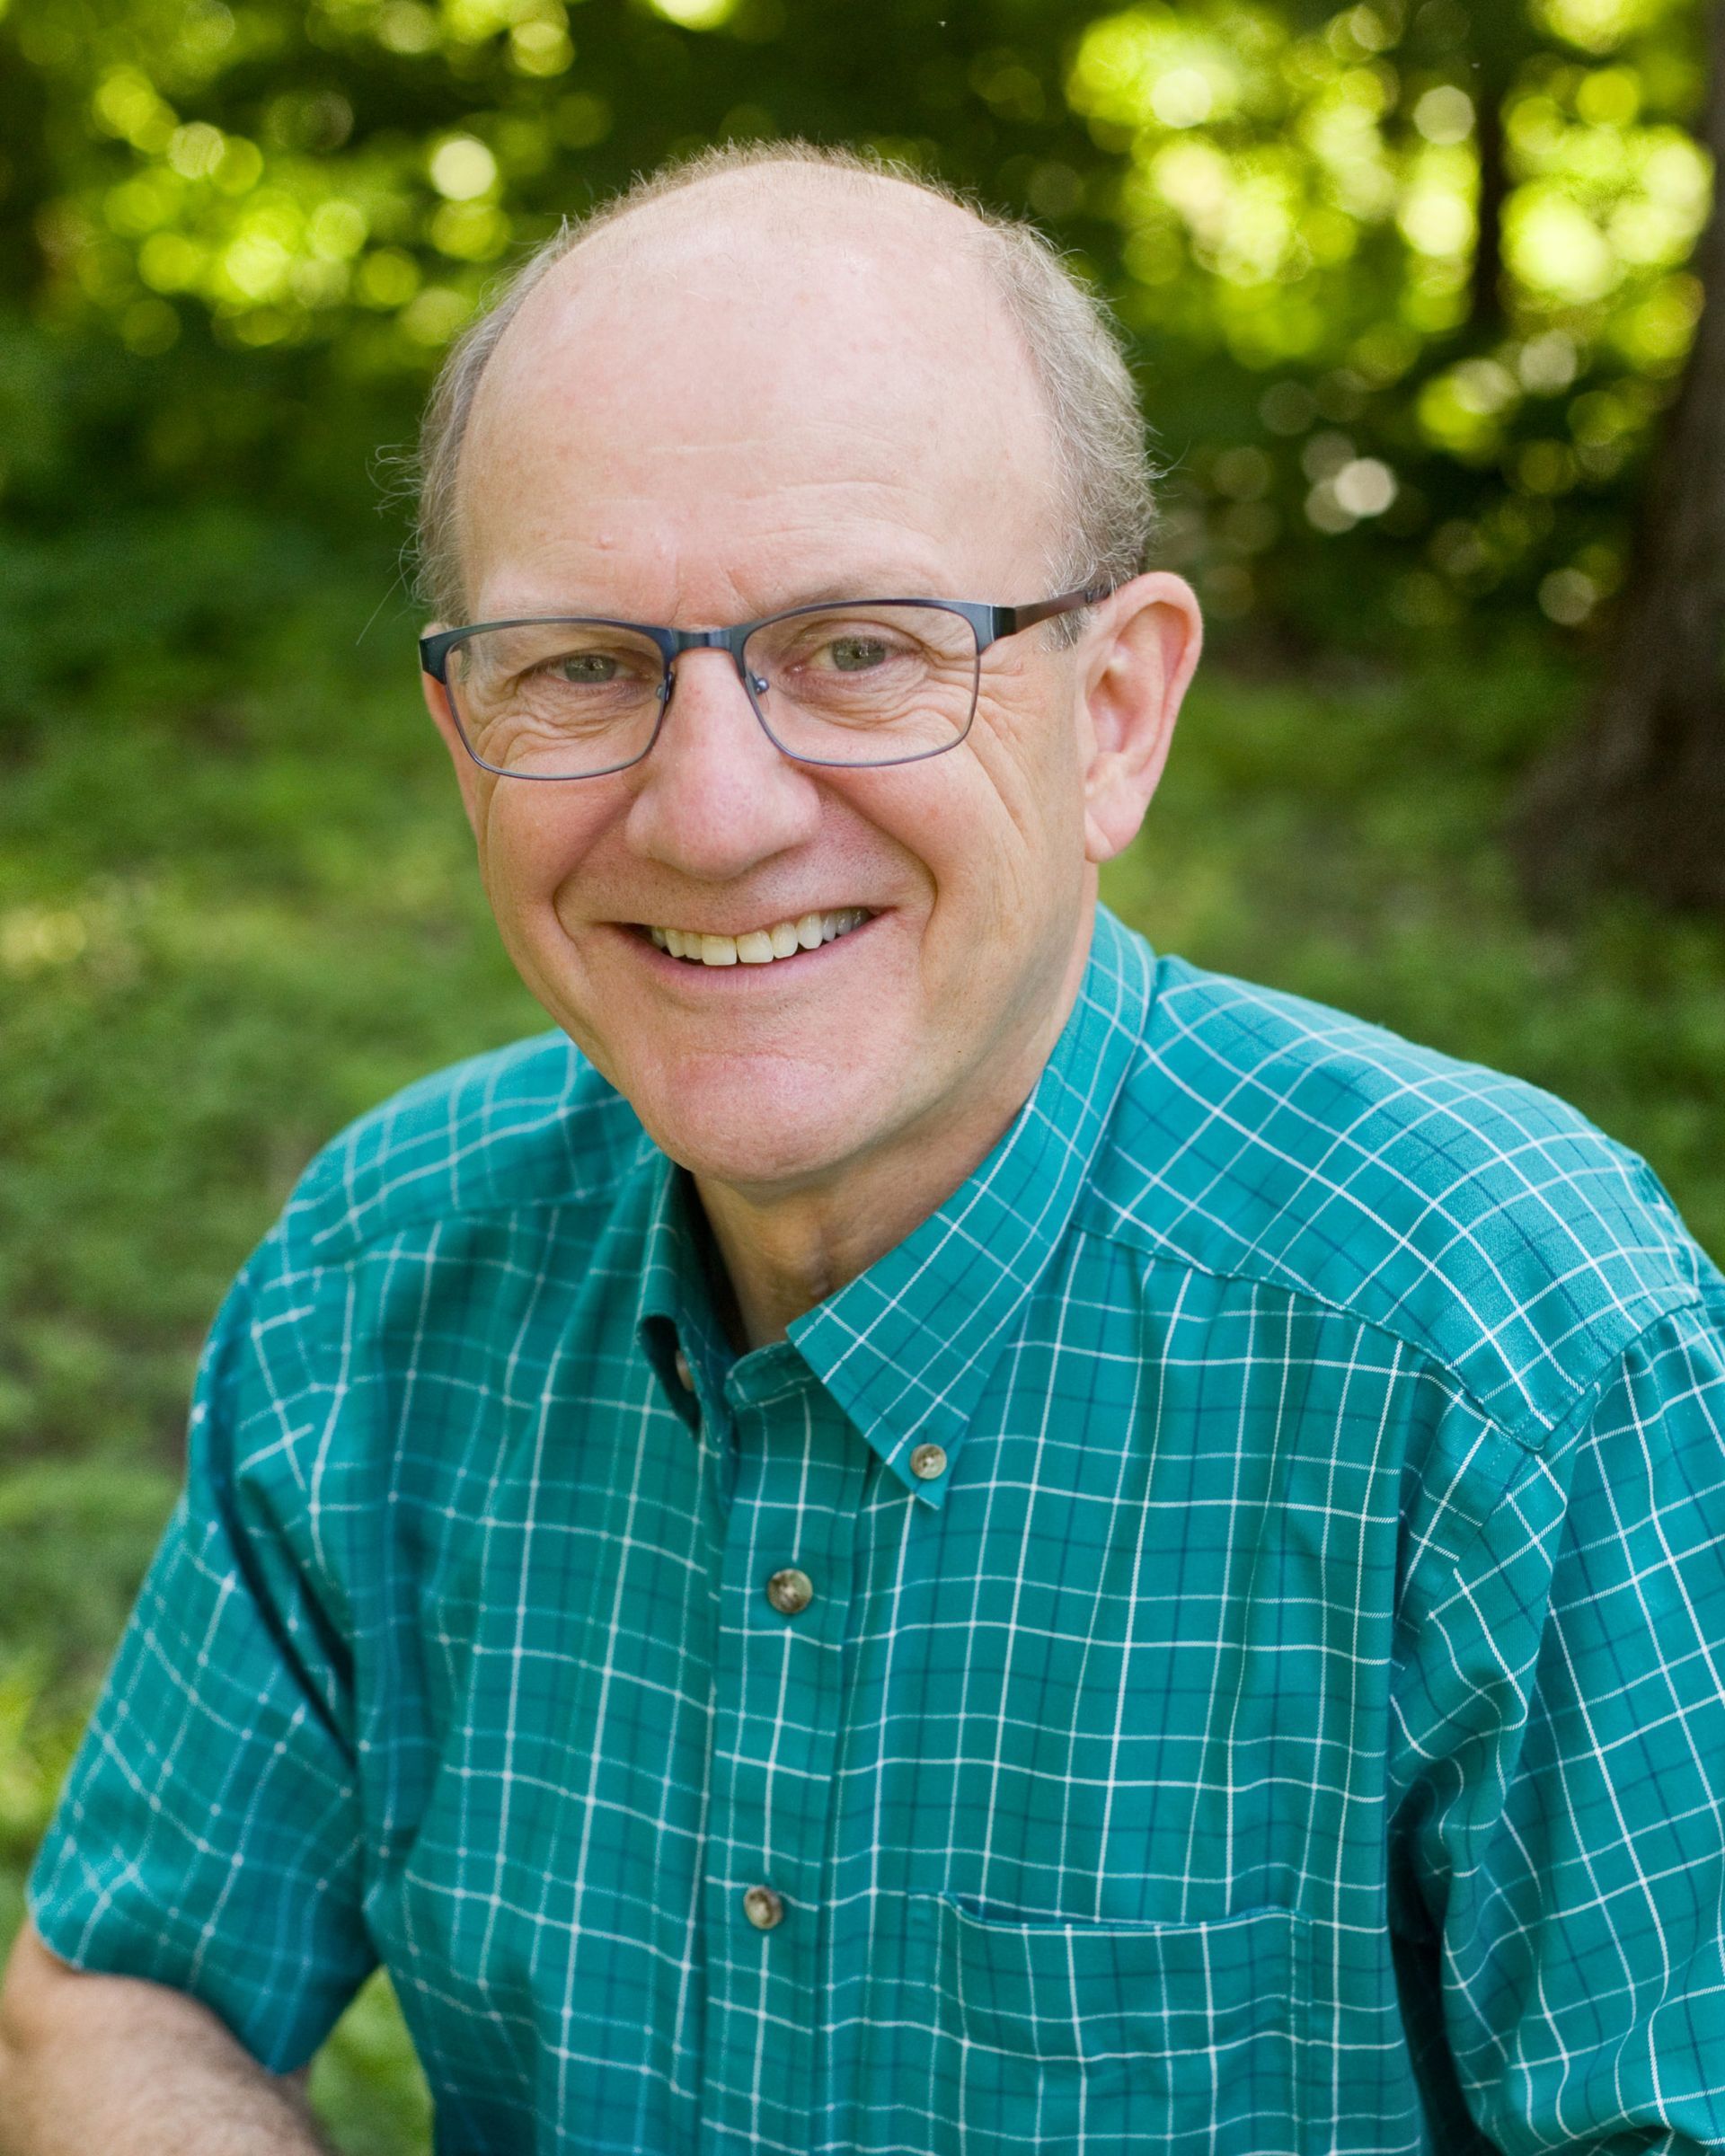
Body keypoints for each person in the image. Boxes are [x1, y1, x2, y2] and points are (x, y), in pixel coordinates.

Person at [4, 138, 1725, 2156]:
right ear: (464, 738)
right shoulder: (385, 1271)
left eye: (864, 649)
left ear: (1115, 715)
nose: (713, 814)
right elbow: (123, 1991)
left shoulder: (1515, 1359)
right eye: (583, 668)